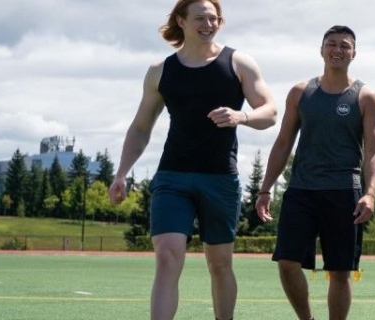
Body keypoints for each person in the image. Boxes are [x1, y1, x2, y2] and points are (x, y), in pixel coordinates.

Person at [107, 0, 278, 319]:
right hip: (173, 177)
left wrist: (241, 115)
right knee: (168, 257)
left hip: (220, 179)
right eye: (201, 18)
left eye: (214, 19)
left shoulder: (239, 62)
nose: (209, 24)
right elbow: (141, 127)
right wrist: (121, 173)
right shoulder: (160, 71)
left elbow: (270, 111)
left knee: (220, 264)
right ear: (181, 21)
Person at [254, 25, 375, 320]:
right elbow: (284, 141)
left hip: (344, 192)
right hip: (301, 190)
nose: (338, 50)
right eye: (332, 44)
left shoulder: (366, 96)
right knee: (287, 262)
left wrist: (370, 193)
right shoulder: (301, 92)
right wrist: (265, 189)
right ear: (321, 49)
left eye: (345, 46)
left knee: (339, 271)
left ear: (354, 53)